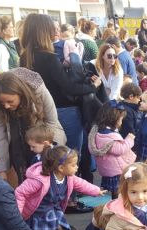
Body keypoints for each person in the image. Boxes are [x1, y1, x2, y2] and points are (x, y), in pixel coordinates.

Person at [20, 14, 100, 160]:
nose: (55, 31)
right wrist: (93, 86)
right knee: (71, 157)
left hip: (39, 112)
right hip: (64, 111)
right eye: (52, 28)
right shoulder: (49, 57)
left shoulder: (25, 57)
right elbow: (68, 87)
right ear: (43, 31)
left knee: (51, 158)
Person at [15, 146, 103, 230]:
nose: (77, 168)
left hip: (54, 210)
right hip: (39, 213)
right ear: (61, 168)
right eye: (73, 165)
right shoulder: (39, 180)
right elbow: (20, 193)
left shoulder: (68, 177)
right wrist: (18, 214)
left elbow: (81, 184)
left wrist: (96, 190)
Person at [0, 68, 67, 183]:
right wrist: (2, 170)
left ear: (20, 93)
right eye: (2, 103)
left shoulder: (38, 90)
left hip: (43, 140)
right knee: (25, 180)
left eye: (10, 101)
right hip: (17, 143)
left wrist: (48, 153)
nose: (6, 106)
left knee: (49, 182)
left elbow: (52, 122)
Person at [88, 102, 137, 199]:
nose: (121, 122)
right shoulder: (110, 136)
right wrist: (130, 139)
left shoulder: (97, 131)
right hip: (117, 170)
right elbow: (120, 149)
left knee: (115, 190)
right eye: (121, 119)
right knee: (119, 190)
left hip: (108, 168)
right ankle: (117, 206)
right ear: (113, 119)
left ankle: (115, 204)